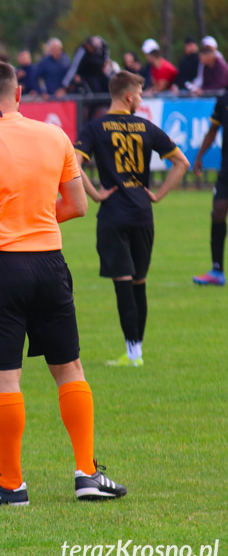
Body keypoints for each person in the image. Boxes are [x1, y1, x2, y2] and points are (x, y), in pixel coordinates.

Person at [0, 60, 126, 506]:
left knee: (4, 378)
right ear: (19, 93)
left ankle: (11, 485)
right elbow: (78, 205)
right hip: (50, 264)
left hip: (2, 267)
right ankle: (86, 473)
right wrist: (38, 217)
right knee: (69, 369)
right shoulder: (55, 135)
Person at [74, 71, 189, 366]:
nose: (140, 99)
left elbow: (73, 164)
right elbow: (181, 163)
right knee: (139, 282)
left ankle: (132, 354)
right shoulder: (145, 126)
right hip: (142, 213)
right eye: (139, 94)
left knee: (123, 283)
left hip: (113, 215)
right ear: (128, 96)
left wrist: (96, 195)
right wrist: (159, 194)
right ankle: (136, 353)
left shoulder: (95, 128)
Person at [191, 88, 228, 286]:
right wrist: (199, 156)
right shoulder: (223, 100)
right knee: (218, 212)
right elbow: (213, 130)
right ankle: (217, 271)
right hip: (226, 169)